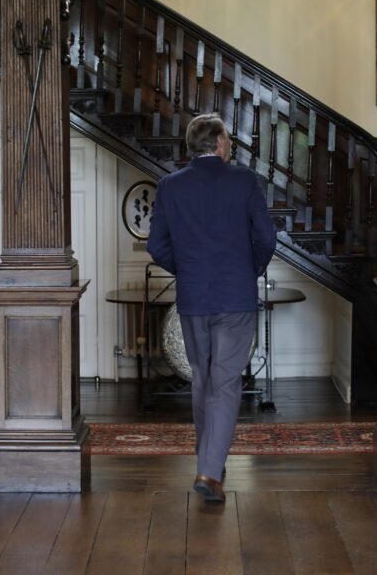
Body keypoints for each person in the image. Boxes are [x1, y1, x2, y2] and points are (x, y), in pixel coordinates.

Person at [146, 114, 276, 503]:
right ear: (219, 143)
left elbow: (157, 246)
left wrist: (187, 269)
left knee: (203, 380)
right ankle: (209, 471)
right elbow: (266, 238)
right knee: (224, 383)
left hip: (194, 298)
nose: (230, 146)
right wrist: (248, 269)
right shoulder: (244, 181)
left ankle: (210, 464)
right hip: (235, 298)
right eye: (228, 140)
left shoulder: (170, 186)